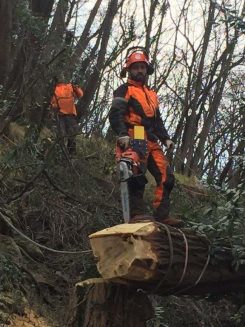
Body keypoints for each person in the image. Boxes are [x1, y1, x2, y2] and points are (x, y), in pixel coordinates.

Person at [109, 48, 182, 226]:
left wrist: (166, 138)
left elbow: (158, 121)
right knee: (136, 171)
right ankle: (136, 213)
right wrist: (123, 134)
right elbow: (115, 114)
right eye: (136, 67)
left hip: (151, 138)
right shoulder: (124, 89)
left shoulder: (152, 94)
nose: (140, 70)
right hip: (137, 133)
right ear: (129, 69)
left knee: (166, 176)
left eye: (143, 67)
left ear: (146, 69)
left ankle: (162, 215)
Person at [50, 75, 83, 155]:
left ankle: (71, 155)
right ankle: (57, 153)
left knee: (71, 135)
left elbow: (80, 95)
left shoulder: (70, 86)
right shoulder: (54, 89)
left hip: (70, 114)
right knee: (60, 134)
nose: (62, 78)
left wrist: (76, 87)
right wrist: (55, 108)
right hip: (59, 115)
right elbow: (52, 102)